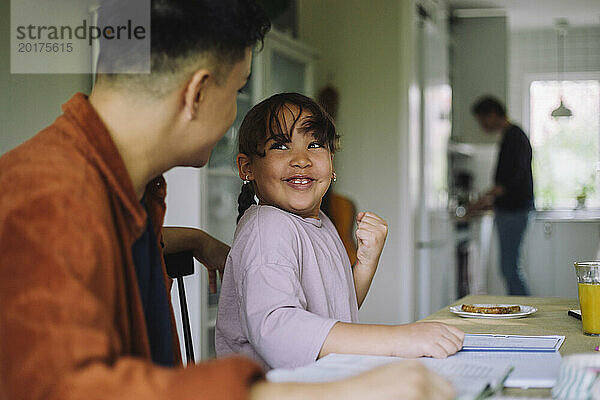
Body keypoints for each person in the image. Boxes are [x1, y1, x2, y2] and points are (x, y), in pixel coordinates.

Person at [0, 1, 455, 399]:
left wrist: (197, 241)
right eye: (238, 90)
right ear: (197, 94)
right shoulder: (47, 199)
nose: (236, 111)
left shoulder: (122, 192)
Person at [215, 93, 465, 370]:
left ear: (331, 163)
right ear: (247, 167)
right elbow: (277, 329)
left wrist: (366, 262)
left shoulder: (320, 221)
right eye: (281, 146)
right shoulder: (268, 228)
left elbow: (337, 310)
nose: (302, 159)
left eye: (314, 144)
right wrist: (398, 338)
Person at [468, 96, 534, 296]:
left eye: (482, 120)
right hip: (512, 210)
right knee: (509, 268)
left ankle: (526, 314)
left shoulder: (514, 136)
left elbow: (510, 180)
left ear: (493, 114)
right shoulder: (510, 135)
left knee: (509, 268)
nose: (482, 126)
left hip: (514, 211)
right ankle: (523, 312)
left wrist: (479, 202)